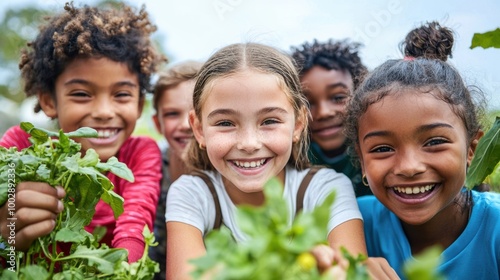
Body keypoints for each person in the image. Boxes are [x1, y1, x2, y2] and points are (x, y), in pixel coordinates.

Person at [165, 42, 398, 280]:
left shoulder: (326, 189)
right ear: (199, 128)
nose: (249, 143)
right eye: (225, 123)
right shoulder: (191, 193)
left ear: (298, 124)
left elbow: (349, 273)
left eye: (269, 121)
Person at [0, 2, 166, 263]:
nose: (103, 111)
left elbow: (135, 227)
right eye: (81, 94)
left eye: (121, 94)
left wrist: (126, 270)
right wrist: (6, 237)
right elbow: (6, 243)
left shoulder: (139, 154)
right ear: (49, 101)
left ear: (138, 104)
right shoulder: (18, 147)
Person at [346, 21, 500, 279]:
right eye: (383, 148)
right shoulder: (352, 222)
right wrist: (344, 266)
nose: (409, 166)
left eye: (435, 142)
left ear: (472, 148)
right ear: (361, 161)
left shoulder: (495, 230)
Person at [290, 39, 372, 197]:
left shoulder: (381, 152)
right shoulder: (290, 162)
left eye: (338, 97)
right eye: (307, 103)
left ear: (361, 94)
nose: (323, 112)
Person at [149, 60, 202, 279]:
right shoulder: (150, 170)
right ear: (158, 123)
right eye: (172, 114)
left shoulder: (232, 174)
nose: (185, 124)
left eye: (196, 112)